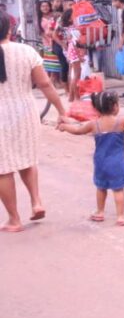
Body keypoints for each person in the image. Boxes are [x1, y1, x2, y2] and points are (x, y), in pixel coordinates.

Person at [0, 15, 66, 232]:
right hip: (25, 112)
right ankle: (36, 201)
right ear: (10, 29)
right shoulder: (26, 51)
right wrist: (61, 111)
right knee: (27, 158)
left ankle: (14, 219)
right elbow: (45, 83)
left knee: (3, 169)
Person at [57, 91, 124, 227]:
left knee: (101, 187)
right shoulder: (121, 121)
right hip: (117, 161)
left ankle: (100, 212)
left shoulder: (93, 124)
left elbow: (78, 131)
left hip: (100, 161)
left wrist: (64, 127)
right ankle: (120, 216)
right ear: (115, 106)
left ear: (96, 108)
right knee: (118, 189)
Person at [55, 8, 84, 102]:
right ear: (70, 19)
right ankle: (77, 97)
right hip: (75, 51)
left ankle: (72, 96)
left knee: (72, 74)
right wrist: (80, 55)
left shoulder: (67, 28)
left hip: (71, 50)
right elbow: (75, 42)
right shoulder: (74, 28)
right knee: (76, 75)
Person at [37, 0, 62, 87]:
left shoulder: (55, 16)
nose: (45, 8)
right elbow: (41, 32)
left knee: (58, 61)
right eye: (43, 6)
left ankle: (57, 80)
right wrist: (48, 41)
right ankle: (51, 81)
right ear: (40, 8)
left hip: (57, 40)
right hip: (47, 43)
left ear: (50, 6)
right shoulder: (38, 18)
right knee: (51, 63)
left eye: (46, 6)